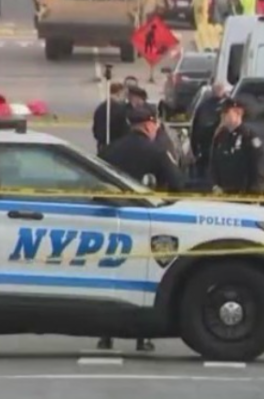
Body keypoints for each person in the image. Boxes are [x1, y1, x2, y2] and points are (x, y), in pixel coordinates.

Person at [96, 104, 185, 354]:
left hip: (112, 219)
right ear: (149, 124)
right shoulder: (156, 152)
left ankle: (106, 334)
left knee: (112, 275)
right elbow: (178, 183)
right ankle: (142, 337)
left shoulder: (110, 150)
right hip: (146, 220)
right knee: (143, 276)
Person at [209, 97, 264, 193]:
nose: (222, 116)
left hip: (243, 194)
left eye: (226, 112)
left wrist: (254, 194)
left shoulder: (249, 138)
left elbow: (257, 170)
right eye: (221, 113)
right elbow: (213, 164)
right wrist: (215, 185)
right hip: (223, 193)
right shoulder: (220, 137)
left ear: (238, 113)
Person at [191, 82, 228, 178]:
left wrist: (194, 148)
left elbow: (195, 127)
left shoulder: (203, 106)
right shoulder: (227, 107)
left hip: (204, 145)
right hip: (218, 146)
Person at [92, 82, 128, 155]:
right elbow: (124, 130)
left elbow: (95, 129)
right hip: (115, 146)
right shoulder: (120, 110)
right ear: (119, 93)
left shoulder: (100, 108)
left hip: (102, 145)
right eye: (124, 94)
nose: (124, 97)